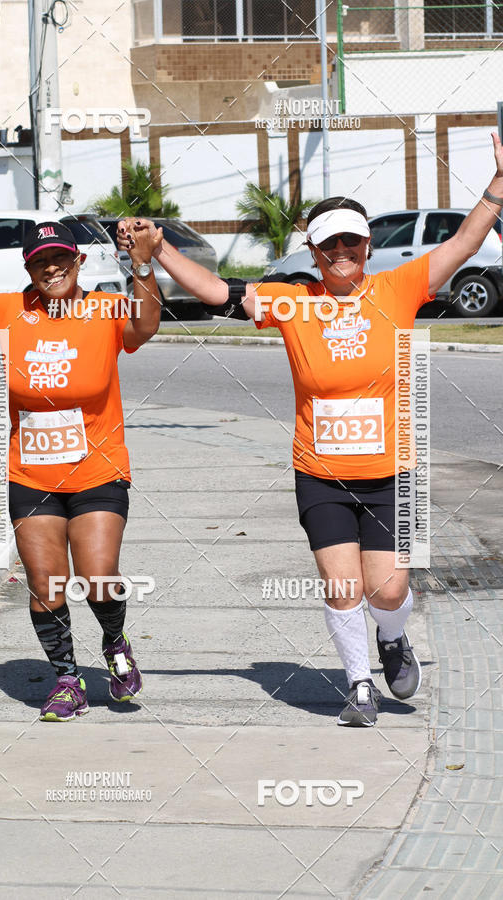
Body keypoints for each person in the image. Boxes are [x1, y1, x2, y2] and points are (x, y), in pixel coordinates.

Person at [117, 133, 503, 727]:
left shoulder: (399, 289)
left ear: (369, 245)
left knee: (389, 591)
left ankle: (394, 638)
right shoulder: (295, 301)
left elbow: (465, 240)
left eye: (352, 239)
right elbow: (220, 293)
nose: (342, 251)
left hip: (393, 474)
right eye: (330, 244)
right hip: (320, 475)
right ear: (315, 252)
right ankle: (359, 686)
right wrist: (161, 247)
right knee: (343, 585)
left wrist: (498, 186)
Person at [0, 217, 163, 721]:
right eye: (40, 262)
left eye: (60, 258)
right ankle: (67, 680)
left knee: (97, 577)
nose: (51, 268)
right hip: (30, 475)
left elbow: (146, 324)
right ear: (29, 269)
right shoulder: (7, 310)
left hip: (98, 470)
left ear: (78, 261)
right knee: (46, 584)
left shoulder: (106, 308)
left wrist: (141, 263)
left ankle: (116, 644)